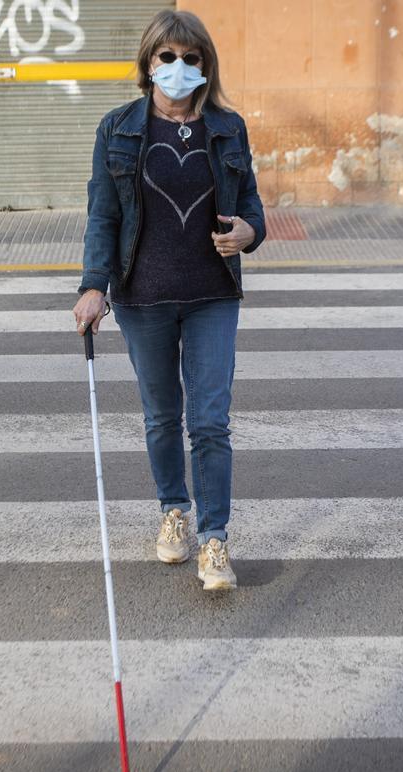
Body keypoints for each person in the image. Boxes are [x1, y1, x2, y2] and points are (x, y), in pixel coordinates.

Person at [71, 10, 266, 591]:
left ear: (206, 66)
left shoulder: (227, 128)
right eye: (167, 57)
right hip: (143, 297)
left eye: (192, 58)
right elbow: (103, 214)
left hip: (212, 296)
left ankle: (215, 540)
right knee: (162, 417)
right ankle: (173, 512)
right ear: (148, 63)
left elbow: (253, 208)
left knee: (210, 422)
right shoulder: (118, 129)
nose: (179, 68)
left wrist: (249, 234)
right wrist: (92, 285)